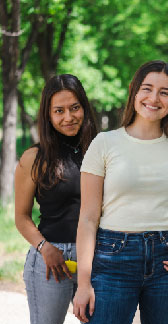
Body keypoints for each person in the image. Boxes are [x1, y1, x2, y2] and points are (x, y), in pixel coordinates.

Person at [72, 60, 168, 324]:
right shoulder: (105, 143)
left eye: (164, 92)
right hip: (113, 257)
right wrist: (83, 284)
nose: (154, 98)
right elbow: (88, 218)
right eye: (147, 88)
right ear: (133, 91)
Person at [14, 74, 98, 324]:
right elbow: (20, 216)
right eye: (59, 111)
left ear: (84, 107)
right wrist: (44, 248)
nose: (68, 117)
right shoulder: (34, 158)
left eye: (74, 108)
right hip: (52, 259)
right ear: (48, 115)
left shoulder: (100, 150)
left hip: (97, 254)